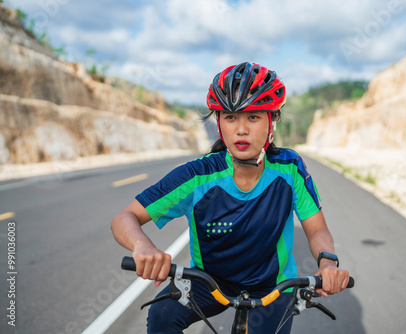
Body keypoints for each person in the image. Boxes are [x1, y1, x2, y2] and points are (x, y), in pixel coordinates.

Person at [111, 62, 350, 333]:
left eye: (253, 117)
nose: (241, 130)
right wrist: (143, 247)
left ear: (271, 121)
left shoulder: (290, 168)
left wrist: (328, 263)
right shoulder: (198, 175)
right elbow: (124, 217)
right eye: (230, 117)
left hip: (274, 285)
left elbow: (317, 227)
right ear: (219, 123)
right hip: (210, 283)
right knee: (162, 314)